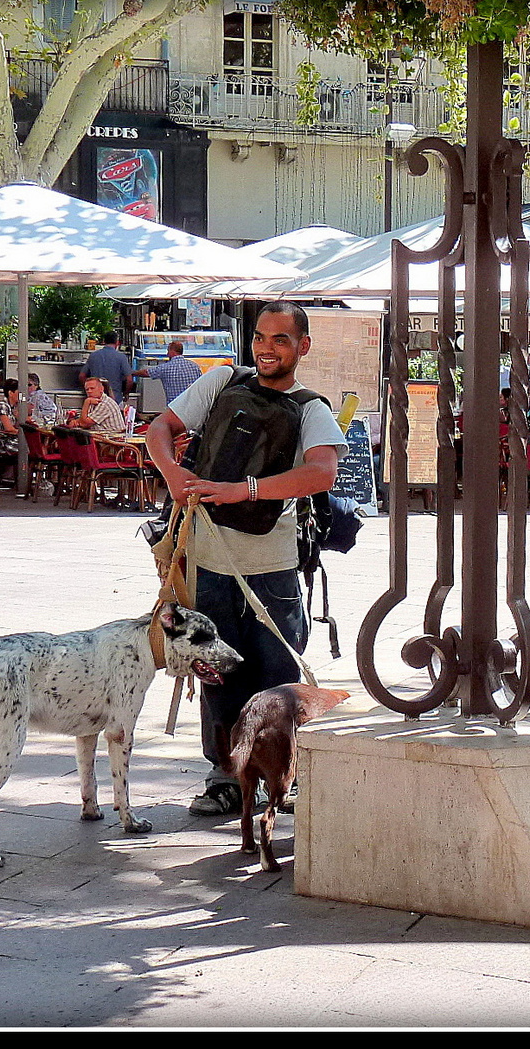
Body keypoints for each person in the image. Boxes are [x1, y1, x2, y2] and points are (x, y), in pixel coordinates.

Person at [146, 300, 348, 817]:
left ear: (302, 347)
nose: (266, 348)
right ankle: (226, 775)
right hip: (207, 559)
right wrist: (172, 474)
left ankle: (283, 770)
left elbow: (321, 473)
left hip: (274, 566)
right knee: (215, 670)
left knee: (278, 674)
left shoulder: (311, 408)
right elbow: (158, 429)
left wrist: (245, 491)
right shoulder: (221, 384)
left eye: (281, 339)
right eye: (261, 336)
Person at [135, 340, 203, 405]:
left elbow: (147, 373)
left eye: (168, 351)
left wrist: (131, 373)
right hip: (194, 405)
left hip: (175, 407)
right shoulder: (194, 366)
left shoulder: (166, 367)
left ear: (172, 351)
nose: (167, 354)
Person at [79, 330, 133, 403]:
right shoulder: (121, 357)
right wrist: (126, 393)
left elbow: (82, 376)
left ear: (104, 341)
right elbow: (129, 380)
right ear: (117, 343)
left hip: (96, 399)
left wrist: (89, 390)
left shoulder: (93, 356)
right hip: (115, 399)